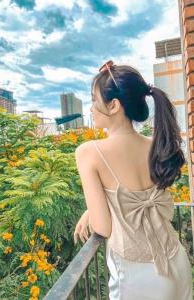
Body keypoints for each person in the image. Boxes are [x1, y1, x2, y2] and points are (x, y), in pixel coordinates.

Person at [73, 60, 193, 300]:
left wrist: (94, 211)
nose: (92, 108)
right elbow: (131, 194)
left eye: (94, 101)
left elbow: (103, 227)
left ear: (114, 105)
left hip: (138, 276)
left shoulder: (89, 152)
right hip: (177, 262)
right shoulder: (153, 145)